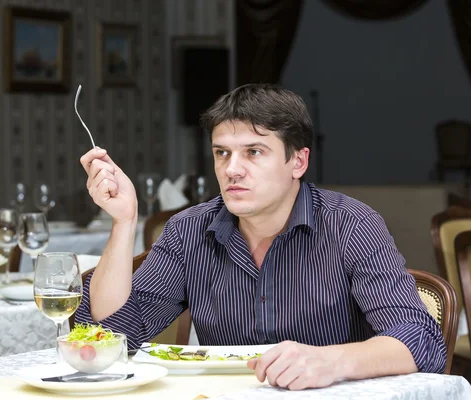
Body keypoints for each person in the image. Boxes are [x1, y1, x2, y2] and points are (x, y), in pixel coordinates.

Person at [76, 83, 447, 390]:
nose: (232, 170)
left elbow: (422, 341)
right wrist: (123, 223)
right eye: (222, 153)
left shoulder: (350, 225)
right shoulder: (188, 230)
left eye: (254, 152)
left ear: (297, 162)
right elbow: (111, 337)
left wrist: (331, 361)